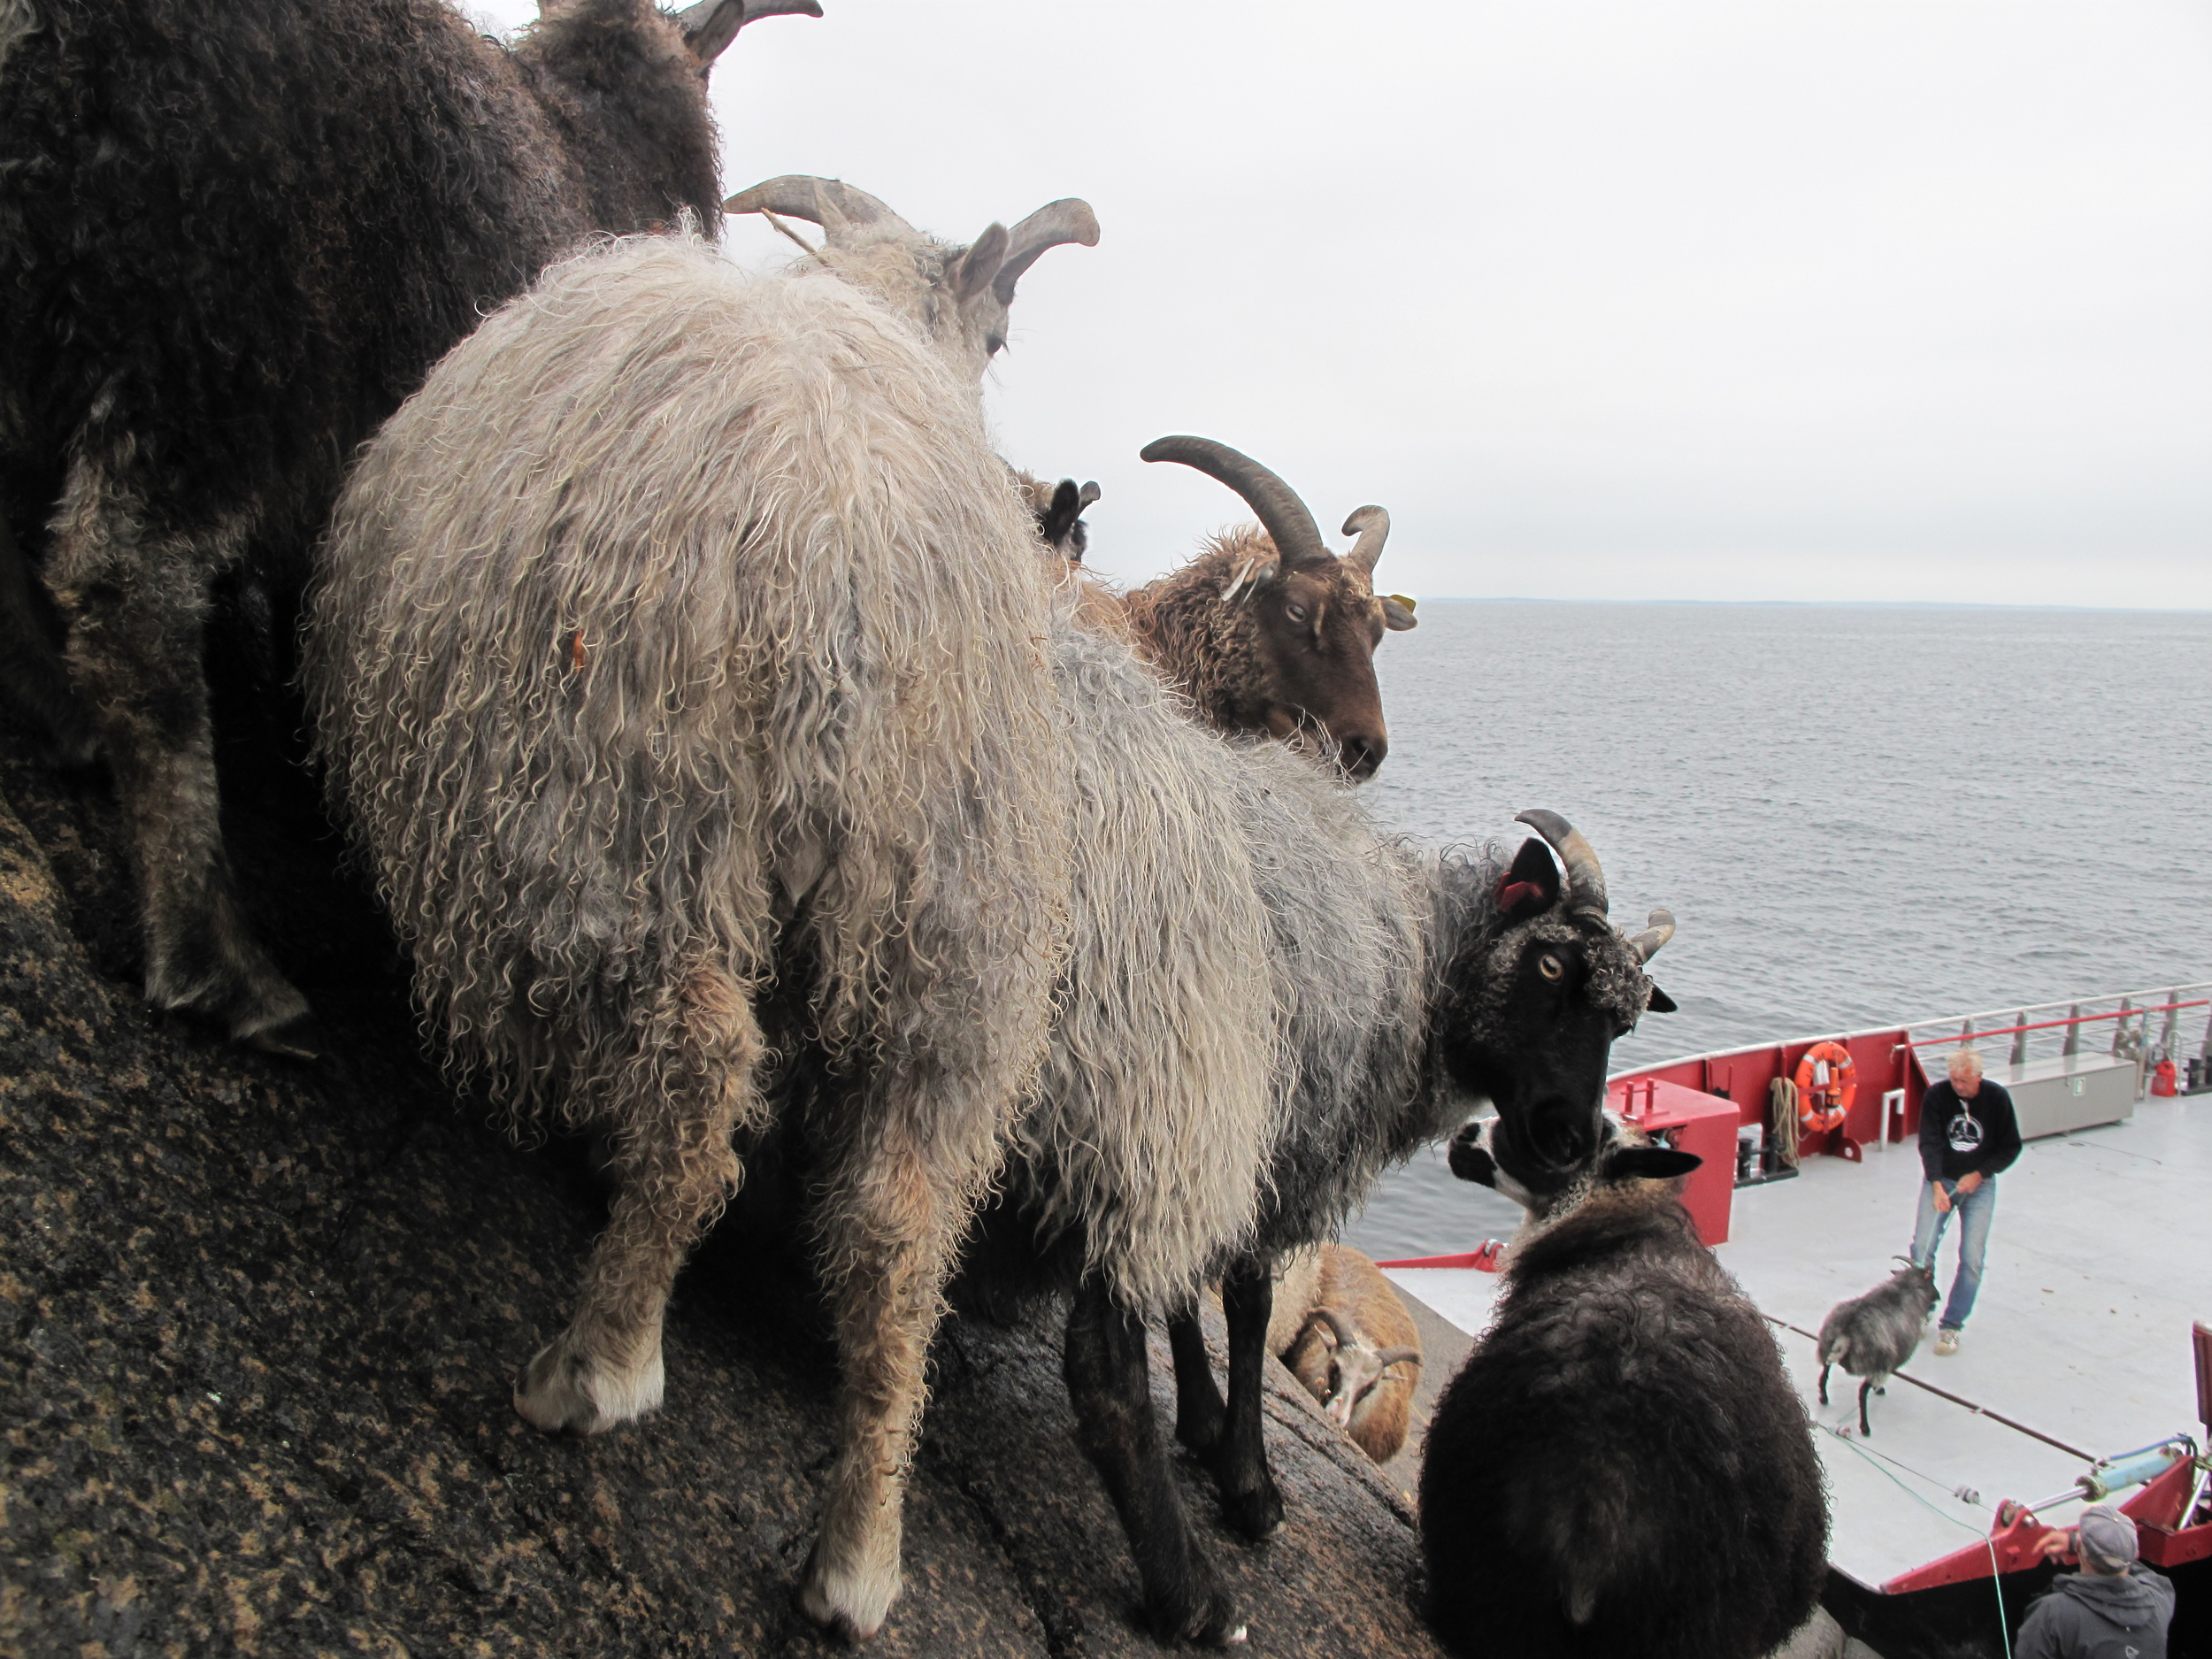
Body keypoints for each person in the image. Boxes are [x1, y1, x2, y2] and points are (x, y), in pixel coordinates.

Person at [1911, 1048, 2020, 1355]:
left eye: (1964, 1081)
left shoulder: (1997, 1099)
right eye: (1954, 1080)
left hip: (1979, 1186)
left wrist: (1980, 1174)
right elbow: (1929, 1142)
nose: (1958, 1086)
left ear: (1978, 1077)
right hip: (1941, 1180)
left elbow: (2011, 1147)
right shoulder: (1936, 1096)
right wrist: (1935, 1184)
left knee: (1972, 1258)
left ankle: (1952, 1325)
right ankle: (1921, 1309)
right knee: (1922, 1249)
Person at [2016, 1503, 2174, 1658]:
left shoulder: (2052, 1614)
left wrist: (2074, 1542)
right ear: (2135, 1555)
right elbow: (2145, 1573)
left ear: (2080, 1550)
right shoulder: (2159, 1599)